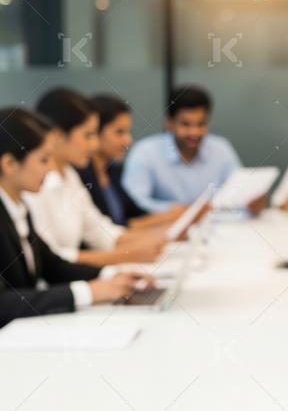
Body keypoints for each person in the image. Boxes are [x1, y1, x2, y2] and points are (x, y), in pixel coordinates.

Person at [0, 107, 156, 327]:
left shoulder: (17, 205)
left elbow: (51, 265)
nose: (50, 170)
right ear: (9, 164)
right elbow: (3, 303)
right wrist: (87, 292)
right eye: (44, 160)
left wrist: (110, 274)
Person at [25, 88, 166, 267]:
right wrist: (127, 256)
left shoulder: (69, 175)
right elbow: (51, 259)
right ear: (58, 135)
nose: (94, 144)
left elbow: (100, 231)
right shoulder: (34, 185)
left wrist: (163, 239)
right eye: (88, 135)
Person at [122, 85, 267, 215]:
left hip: (216, 229)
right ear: (169, 123)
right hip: (162, 231)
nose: (194, 133)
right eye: (186, 125)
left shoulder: (221, 148)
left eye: (201, 124)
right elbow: (135, 203)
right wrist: (180, 210)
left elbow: (238, 193)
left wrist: (251, 203)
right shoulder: (145, 152)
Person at [76, 94, 187, 228]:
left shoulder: (113, 172)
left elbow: (136, 214)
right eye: (119, 132)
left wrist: (175, 213)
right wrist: (169, 216)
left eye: (128, 132)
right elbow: (113, 227)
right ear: (95, 131)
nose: (128, 141)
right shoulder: (80, 176)